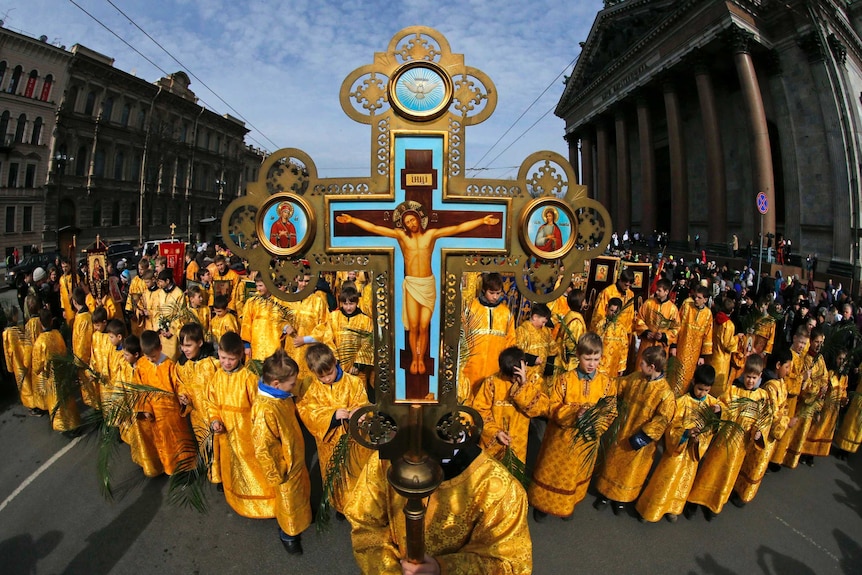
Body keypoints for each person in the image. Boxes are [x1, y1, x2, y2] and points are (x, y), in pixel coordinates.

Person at [337, 203, 499, 375]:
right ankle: (415, 358)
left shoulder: (430, 235)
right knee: (413, 326)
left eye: (413, 219)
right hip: (412, 284)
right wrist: (352, 219)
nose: (411, 224)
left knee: (424, 326)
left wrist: (482, 220)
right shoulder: (401, 237)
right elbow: (376, 228)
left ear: (419, 219)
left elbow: (456, 228)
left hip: (428, 284)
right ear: (404, 224)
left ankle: (422, 358)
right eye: (407, 221)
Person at [344, 441, 532, 575]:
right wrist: (390, 569)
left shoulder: (497, 486)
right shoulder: (382, 462)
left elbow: (510, 562)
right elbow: (365, 525)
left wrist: (444, 568)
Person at [530, 333, 615, 521]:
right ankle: (543, 505)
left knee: (576, 475)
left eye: (596, 359)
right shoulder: (564, 380)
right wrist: (573, 413)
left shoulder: (606, 383)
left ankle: (568, 504)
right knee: (553, 474)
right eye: (587, 358)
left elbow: (610, 411)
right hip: (561, 441)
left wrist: (595, 423)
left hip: (586, 441)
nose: (592, 363)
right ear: (578, 355)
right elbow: (552, 406)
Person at [593, 346, 675, 515]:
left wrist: (644, 436)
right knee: (612, 463)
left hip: (640, 441)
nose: (640, 366)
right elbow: (618, 385)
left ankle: (621, 499)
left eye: (643, 363)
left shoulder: (665, 393)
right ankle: (605, 495)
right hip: (623, 430)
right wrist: (600, 381)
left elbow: (662, 419)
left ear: (652, 367)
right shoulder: (636, 378)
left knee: (631, 470)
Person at [635, 365, 722, 523]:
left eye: (706, 390)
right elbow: (672, 428)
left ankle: (673, 508)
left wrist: (717, 416)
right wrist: (686, 434)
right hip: (677, 452)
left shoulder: (713, 404)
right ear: (694, 382)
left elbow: (714, 428)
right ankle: (649, 510)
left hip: (692, 454)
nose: (702, 393)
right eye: (700, 388)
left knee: (683, 482)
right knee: (665, 479)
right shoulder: (681, 402)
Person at [687, 355, 769, 519]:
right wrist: (720, 410)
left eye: (754, 378)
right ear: (743, 374)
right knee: (709, 470)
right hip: (723, 441)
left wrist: (758, 432)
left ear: (760, 377)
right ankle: (694, 501)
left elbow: (763, 420)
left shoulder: (762, 397)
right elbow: (724, 405)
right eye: (748, 377)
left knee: (726, 477)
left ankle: (714, 505)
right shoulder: (734, 390)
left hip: (740, 447)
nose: (750, 381)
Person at [296, 342, 371, 516]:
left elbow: (362, 402)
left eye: (329, 373)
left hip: (354, 440)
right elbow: (307, 411)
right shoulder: (311, 387)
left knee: (356, 473)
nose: (327, 379)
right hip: (328, 444)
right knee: (334, 474)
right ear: (314, 373)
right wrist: (332, 416)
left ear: (334, 363)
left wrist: (358, 413)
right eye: (322, 377)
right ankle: (340, 505)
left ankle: (358, 505)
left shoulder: (353, 382)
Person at [206, 331, 276, 516]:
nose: (226, 362)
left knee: (254, 470)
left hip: (247, 435)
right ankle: (237, 501)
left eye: (231, 358)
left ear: (240, 356)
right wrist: (215, 420)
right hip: (226, 434)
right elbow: (211, 403)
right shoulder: (217, 378)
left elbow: (259, 406)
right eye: (222, 358)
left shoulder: (248, 378)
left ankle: (265, 506)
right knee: (233, 469)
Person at [251, 349, 312, 556]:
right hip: (285, 467)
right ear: (276, 383)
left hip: (295, 457)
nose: (294, 386)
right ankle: (288, 534)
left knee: (299, 495)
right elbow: (264, 447)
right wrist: (280, 470)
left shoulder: (280, 395)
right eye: (292, 383)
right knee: (289, 503)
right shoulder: (265, 410)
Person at [732, 348, 792, 506]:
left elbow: (783, 408)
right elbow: (772, 413)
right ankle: (740, 492)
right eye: (787, 367)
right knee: (753, 463)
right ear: (778, 365)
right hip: (765, 431)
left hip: (770, 433)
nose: (789, 370)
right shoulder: (770, 387)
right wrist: (786, 421)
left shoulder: (781, 383)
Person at [472, 346, 549, 463]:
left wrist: (524, 384)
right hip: (493, 442)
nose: (514, 380)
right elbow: (479, 410)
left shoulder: (534, 380)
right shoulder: (492, 382)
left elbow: (541, 408)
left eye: (517, 375)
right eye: (510, 377)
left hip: (518, 444)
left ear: (525, 364)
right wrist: (496, 432)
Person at [135, 330, 195, 476]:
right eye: (148, 357)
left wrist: (182, 395)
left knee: (179, 443)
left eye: (153, 356)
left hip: (172, 414)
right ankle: (168, 469)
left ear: (160, 348)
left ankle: (186, 470)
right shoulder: (142, 365)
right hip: (154, 415)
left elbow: (179, 384)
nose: (151, 360)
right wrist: (145, 408)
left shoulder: (169, 365)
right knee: (163, 445)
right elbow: (139, 389)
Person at [460, 272, 516, 395]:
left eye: (498, 293)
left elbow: (511, 341)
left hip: (495, 368)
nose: (495, 297)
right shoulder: (471, 308)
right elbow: (460, 336)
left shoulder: (506, 313)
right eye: (491, 293)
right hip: (472, 366)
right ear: (484, 290)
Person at [173, 323, 219, 452]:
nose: (185, 349)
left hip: (214, 416)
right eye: (182, 346)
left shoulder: (213, 362)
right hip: (196, 416)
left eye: (189, 345)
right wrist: (183, 396)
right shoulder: (182, 365)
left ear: (199, 343)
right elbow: (180, 383)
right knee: (204, 448)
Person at [32, 308, 80, 433]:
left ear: (40, 323)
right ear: (51, 321)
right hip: (63, 372)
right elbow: (64, 351)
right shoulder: (57, 334)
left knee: (57, 402)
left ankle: (65, 426)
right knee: (68, 399)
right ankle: (74, 422)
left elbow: (37, 367)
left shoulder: (40, 342)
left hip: (52, 378)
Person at [801, 347, 848, 462]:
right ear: (835, 359)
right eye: (839, 358)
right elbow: (823, 390)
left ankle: (812, 455)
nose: (841, 362)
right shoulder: (830, 374)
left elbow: (843, 391)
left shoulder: (844, 377)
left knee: (824, 433)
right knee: (814, 430)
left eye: (844, 360)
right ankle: (804, 453)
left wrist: (844, 400)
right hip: (823, 408)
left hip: (833, 412)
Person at [589, 268, 635, 376]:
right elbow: (598, 315)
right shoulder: (607, 292)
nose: (627, 288)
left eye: (629, 285)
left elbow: (630, 315)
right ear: (620, 280)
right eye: (625, 284)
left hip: (621, 336)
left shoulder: (630, 294)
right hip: (606, 337)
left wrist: (627, 334)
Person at [671, 285, 714, 396]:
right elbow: (677, 325)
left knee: (688, 378)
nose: (696, 299)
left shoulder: (708, 314)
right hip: (681, 348)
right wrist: (674, 345)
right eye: (695, 297)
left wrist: (702, 356)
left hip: (695, 353)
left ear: (705, 299)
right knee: (676, 375)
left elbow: (707, 336)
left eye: (699, 298)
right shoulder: (686, 305)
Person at [240, 277, 291, 361]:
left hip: (274, 344)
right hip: (255, 345)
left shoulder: (280, 302)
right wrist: (247, 346)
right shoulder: (251, 302)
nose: (258, 289)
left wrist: (285, 329)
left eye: (260, 286)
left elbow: (285, 321)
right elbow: (246, 324)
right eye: (257, 286)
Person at [633, 277, 679, 370]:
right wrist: (646, 332)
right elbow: (639, 319)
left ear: (666, 292)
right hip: (647, 343)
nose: (656, 292)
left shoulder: (673, 309)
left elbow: (676, 328)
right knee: (641, 368)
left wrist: (663, 336)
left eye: (659, 290)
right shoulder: (648, 303)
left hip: (661, 347)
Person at [3, 305, 41, 415]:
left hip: (21, 360)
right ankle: (32, 405)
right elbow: (10, 351)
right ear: (14, 316)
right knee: (26, 384)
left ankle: (35, 404)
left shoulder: (15, 329)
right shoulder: (10, 333)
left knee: (28, 382)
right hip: (19, 361)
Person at [515, 302, 557, 391]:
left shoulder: (546, 331)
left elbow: (552, 349)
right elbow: (517, 353)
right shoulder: (522, 331)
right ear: (534, 317)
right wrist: (533, 359)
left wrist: (549, 368)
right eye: (543, 322)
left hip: (542, 377)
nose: (544, 325)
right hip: (528, 376)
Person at [70, 287, 99, 409]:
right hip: (84, 358)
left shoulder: (84, 318)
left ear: (74, 302)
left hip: (86, 361)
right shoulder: (82, 315)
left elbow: (83, 344)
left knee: (92, 391)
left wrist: (79, 361)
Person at [706, 293, 738, 399]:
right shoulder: (729, 325)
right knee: (718, 387)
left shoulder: (715, 320)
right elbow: (728, 345)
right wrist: (738, 338)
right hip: (722, 359)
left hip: (712, 355)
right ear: (732, 311)